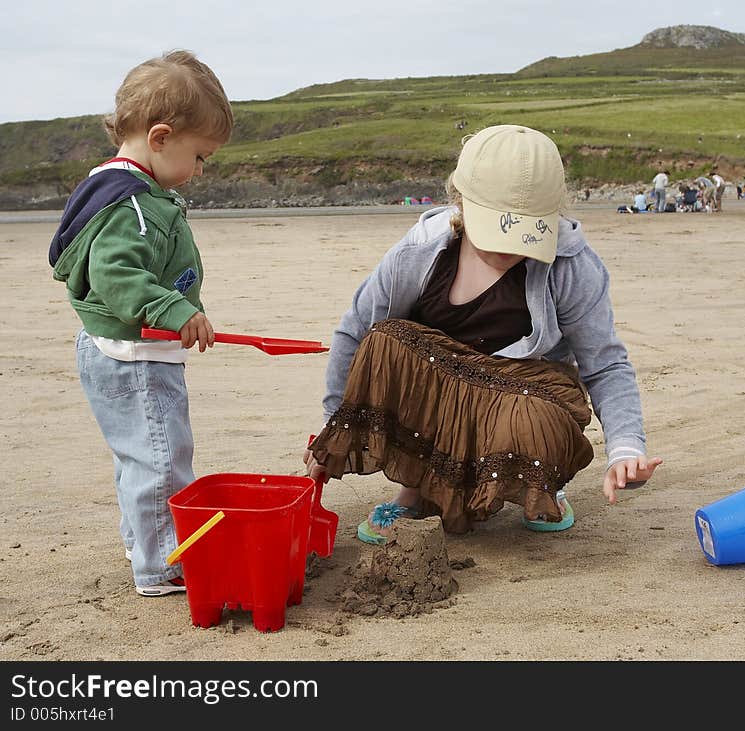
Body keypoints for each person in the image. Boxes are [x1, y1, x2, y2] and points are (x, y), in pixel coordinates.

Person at [304, 124, 662, 544]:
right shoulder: (418, 253)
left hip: (519, 396)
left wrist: (625, 448)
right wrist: (334, 426)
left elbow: (605, 365)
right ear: (460, 201)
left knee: (539, 416)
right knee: (385, 340)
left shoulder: (572, 265)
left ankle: (539, 487)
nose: (508, 249)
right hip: (439, 395)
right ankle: (414, 490)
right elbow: (352, 333)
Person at [48, 51, 234, 596]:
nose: (200, 170)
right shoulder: (129, 203)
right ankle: (162, 565)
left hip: (123, 350)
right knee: (161, 459)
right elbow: (116, 273)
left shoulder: (117, 189)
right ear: (160, 137)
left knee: (141, 456)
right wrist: (176, 311)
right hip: (135, 358)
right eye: (199, 156)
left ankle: (143, 544)